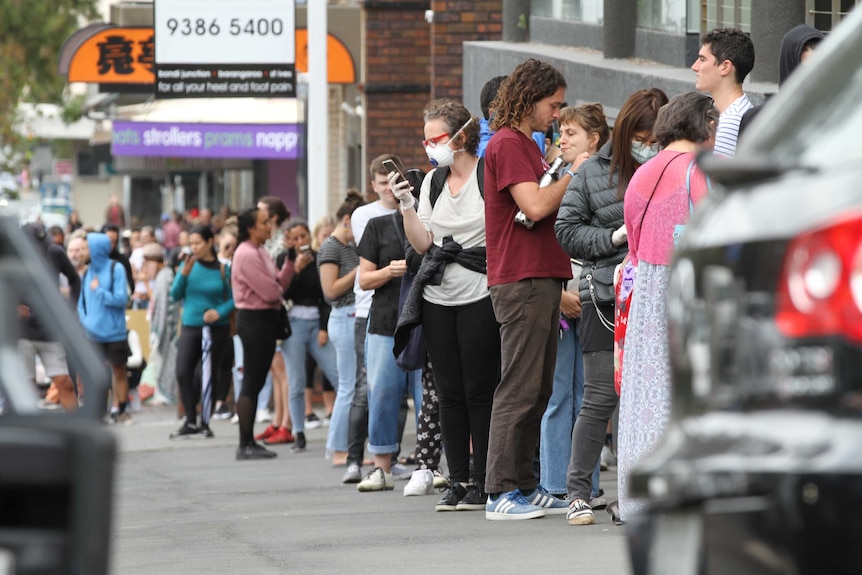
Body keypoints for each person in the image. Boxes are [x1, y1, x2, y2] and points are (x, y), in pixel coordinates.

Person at [555, 87, 669, 526]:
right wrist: (613, 240)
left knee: (647, 398)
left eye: (655, 136)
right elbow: (566, 230)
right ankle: (578, 492)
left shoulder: (671, 169)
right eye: (641, 135)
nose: (648, 143)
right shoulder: (593, 171)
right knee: (602, 395)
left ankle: (632, 493)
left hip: (656, 294)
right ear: (624, 132)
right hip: (604, 294)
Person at [391, 98, 501, 511]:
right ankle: (456, 479)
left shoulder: (486, 174)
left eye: (435, 138)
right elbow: (423, 244)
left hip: (480, 290)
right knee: (447, 391)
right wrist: (406, 204)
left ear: (460, 136)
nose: (429, 146)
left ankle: (483, 479)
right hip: (438, 293)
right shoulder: (434, 182)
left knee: (479, 388)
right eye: (425, 139)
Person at [618, 92, 717, 523]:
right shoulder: (697, 171)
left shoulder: (642, 172)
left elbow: (634, 245)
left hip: (646, 289)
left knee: (646, 391)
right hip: (685, 286)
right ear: (704, 126)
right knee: (686, 388)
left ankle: (639, 492)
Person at [482, 58, 573, 520]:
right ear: (530, 98)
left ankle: (523, 483)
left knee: (537, 389)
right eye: (553, 105)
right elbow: (534, 206)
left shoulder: (522, 144)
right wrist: (572, 173)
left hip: (534, 277)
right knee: (520, 386)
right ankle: (500, 491)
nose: (557, 114)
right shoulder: (510, 143)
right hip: (521, 278)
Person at [539, 103, 610, 502]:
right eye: (560, 132)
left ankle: (586, 484)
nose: (561, 140)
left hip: (596, 291)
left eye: (571, 134)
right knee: (559, 393)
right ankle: (554, 483)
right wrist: (558, 293)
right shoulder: (552, 175)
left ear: (594, 140)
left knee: (591, 394)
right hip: (563, 291)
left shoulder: (606, 175)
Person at [354, 199, 423, 493]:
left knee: (428, 399)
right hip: (385, 322)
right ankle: (381, 466)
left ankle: (428, 465)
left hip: (424, 321)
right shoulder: (378, 226)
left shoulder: (434, 225)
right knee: (382, 393)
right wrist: (389, 271)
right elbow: (364, 279)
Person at [342, 155, 402, 484]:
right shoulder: (367, 217)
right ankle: (358, 458)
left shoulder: (414, 212)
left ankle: (398, 458)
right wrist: (389, 271)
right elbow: (366, 273)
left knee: (408, 392)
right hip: (370, 311)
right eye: (382, 184)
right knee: (370, 389)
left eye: (394, 183)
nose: (389, 190)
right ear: (373, 185)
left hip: (408, 309)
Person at [231, 207, 295, 460]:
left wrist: (290, 260)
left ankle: (247, 441)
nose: (269, 226)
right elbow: (271, 292)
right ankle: (245, 443)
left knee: (255, 382)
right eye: (263, 222)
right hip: (255, 319)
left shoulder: (259, 251)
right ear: (250, 228)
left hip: (265, 320)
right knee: (252, 382)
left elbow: (279, 283)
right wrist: (278, 288)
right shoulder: (246, 253)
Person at [277, 219, 340, 454]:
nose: (299, 242)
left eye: (303, 236)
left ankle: (342, 427)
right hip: (293, 323)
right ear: (288, 240)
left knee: (336, 373)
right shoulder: (284, 260)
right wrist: (296, 269)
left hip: (316, 323)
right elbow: (280, 292)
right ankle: (298, 433)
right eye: (294, 238)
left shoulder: (319, 256)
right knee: (296, 380)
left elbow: (326, 295)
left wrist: (324, 327)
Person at [169, 225, 235, 439]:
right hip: (190, 325)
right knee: (182, 371)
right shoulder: (187, 265)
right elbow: (175, 294)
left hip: (216, 328)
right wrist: (183, 275)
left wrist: (220, 311)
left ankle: (205, 421)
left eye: (198, 243)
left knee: (205, 374)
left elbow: (235, 298)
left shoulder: (223, 269)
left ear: (209, 242)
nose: (194, 247)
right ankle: (190, 419)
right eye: (191, 243)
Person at [318, 191, 366, 467]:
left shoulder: (349, 246)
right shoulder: (331, 247)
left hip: (353, 316)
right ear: (348, 220)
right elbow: (330, 291)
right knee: (348, 386)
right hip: (343, 316)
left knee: (354, 385)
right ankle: (338, 449)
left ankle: (346, 447)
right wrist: (360, 271)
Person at [18, 223, 81, 412]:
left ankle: (78, 429)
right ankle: (29, 437)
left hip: (50, 330)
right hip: (21, 332)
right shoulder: (13, 256)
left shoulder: (54, 253)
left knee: (65, 382)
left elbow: (75, 280)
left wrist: (70, 308)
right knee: (26, 389)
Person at [78, 232, 132, 423]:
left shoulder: (116, 269)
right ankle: (99, 412)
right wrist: (85, 321)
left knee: (119, 370)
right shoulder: (88, 272)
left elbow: (121, 299)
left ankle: (121, 409)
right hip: (92, 333)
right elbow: (81, 303)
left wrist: (99, 291)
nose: (82, 252)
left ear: (96, 250)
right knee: (95, 373)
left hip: (114, 332)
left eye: (86, 248)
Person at [253, 196, 294, 444]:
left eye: (261, 213)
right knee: (276, 371)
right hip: (272, 312)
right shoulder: (268, 243)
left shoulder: (279, 244)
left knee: (283, 371)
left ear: (273, 217)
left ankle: (286, 423)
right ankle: (277, 420)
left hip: (282, 311)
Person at [738, 24, 824, 137]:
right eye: (806, 70)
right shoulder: (758, 121)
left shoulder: (842, 119)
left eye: (821, 67)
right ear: (790, 68)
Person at [691, 27, 755, 157]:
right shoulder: (729, 112)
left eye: (702, 59)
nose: (694, 67)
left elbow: (717, 176)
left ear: (725, 67)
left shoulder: (730, 122)